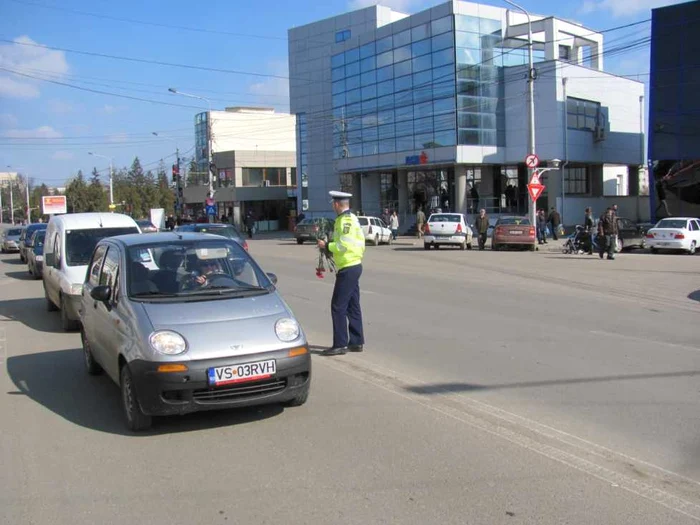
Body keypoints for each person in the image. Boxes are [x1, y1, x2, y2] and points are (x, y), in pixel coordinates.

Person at [317, 191, 366, 356]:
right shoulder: (352, 219)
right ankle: (356, 341)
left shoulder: (344, 222)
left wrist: (326, 245)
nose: (333, 206)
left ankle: (340, 344)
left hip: (348, 267)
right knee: (353, 305)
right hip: (354, 265)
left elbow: (343, 245)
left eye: (333, 203)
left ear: (337, 204)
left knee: (337, 306)